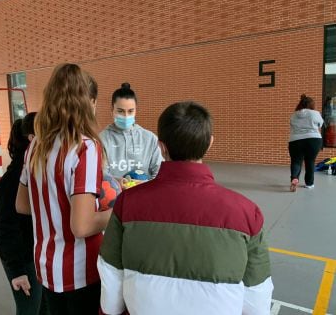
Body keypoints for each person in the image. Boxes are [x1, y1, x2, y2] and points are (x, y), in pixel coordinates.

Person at [98, 101, 273, 315]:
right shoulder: (247, 213)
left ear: (161, 147)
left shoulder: (127, 204)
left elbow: (111, 290)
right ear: (209, 144)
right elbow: (257, 301)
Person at [15, 64, 112, 315]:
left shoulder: (36, 144)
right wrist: (117, 211)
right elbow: (81, 226)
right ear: (88, 103)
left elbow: (22, 205)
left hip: (47, 267)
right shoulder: (85, 148)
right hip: (80, 270)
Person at [0, 113, 47, 315]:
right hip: (23, 261)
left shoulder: (39, 171)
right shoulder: (12, 181)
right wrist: (17, 272)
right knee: (29, 309)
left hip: (38, 256)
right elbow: (4, 229)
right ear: (33, 139)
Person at [99, 83, 162, 183]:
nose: (125, 116)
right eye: (120, 111)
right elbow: (101, 175)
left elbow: (160, 174)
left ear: (136, 111)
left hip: (144, 195)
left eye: (130, 111)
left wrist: (142, 185)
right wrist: (119, 182)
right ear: (112, 110)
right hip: (116, 196)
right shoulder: (102, 139)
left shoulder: (150, 139)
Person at [288, 94, 324, 191]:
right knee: (310, 161)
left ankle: (294, 178)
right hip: (313, 140)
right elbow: (320, 124)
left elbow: (292, 126)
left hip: (295, 140)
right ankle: (309, 184)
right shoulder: (315, 113)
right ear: (311, 104)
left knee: (296, 161)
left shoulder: (294, 115)